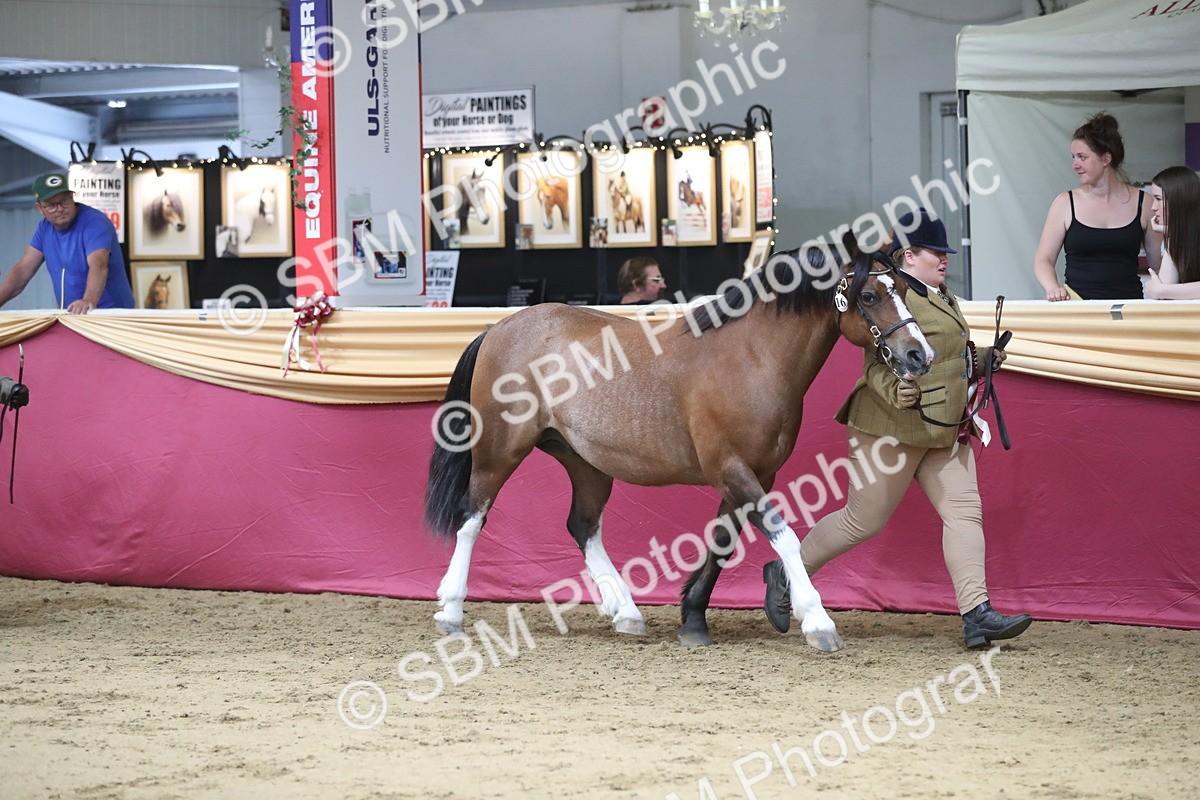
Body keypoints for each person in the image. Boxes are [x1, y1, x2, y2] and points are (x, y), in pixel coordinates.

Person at [762, 208, 1032, 650]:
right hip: (889, 427)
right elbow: (874, 365)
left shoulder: (943, 296)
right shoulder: (894, 295)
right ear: (909, 255)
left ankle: (977, 614)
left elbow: (943, 353)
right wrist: (895, 390)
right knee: (861, 521)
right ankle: (787, 572)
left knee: (964, 512)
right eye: (935, 253)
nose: (944, 260)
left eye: (944, 253)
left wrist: (978, 359)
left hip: (943, 426)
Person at [1033, 112, 1161, 301]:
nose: (1075, 165)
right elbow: (1043, 260)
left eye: (1082, 157)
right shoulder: (1065, 203)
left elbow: (1158, 265)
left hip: (1128, 308)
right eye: (1073, 157)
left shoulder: (1145, 203)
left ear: (1105, 159)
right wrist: (1053, 288)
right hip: (1078, 309)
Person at [0, 173, 134, 314]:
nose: (60, 209)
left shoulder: (95, 223)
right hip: (72, 316)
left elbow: (99, 265)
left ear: (72, 197)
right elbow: (22, 270)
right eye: (52, 205)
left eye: (64, 201)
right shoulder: (44, 229)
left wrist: (87, 301)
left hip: (111, 316)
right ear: (40, 208)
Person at [1146, 165, 1200, 300]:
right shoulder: (1173, 237)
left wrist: (1162, 291)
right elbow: (1166, 288)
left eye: (1158, 199)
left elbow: (1163, 290)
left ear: (1179, 200)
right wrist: (1171, 234)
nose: (1153, 207)